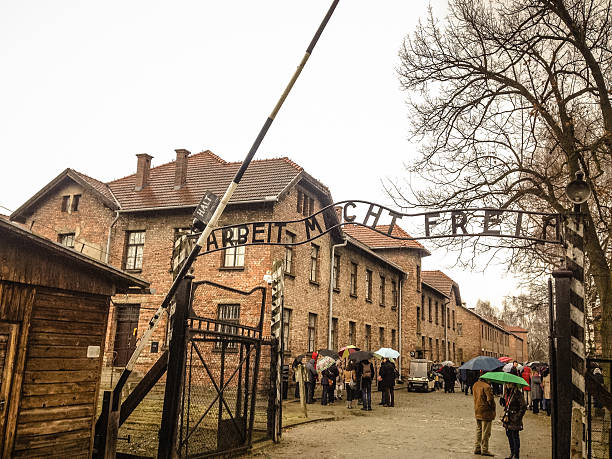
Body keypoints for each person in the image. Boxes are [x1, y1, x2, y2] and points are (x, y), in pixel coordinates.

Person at [501, 383, 528, 459]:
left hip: (515, 417)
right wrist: (503, 401)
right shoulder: (507, 393)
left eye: (509, 383)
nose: (507, 385)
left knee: (515, 436)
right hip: (508, 417)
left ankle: (516, 455)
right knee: (509, 434)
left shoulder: (517, 393)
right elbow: (507, 404)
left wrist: (518, 416)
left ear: (513, 384)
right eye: (506, 383)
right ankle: (512, 453)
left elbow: (523, 406)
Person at [472, 374, 496, 456]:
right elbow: (490, 400)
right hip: (486, 411)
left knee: (479, 429)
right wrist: (493, 407)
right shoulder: (487, 387)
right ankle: (485, 449)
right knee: (486, 431)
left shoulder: (475, 385)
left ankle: (477, 447)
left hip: (477, 409)